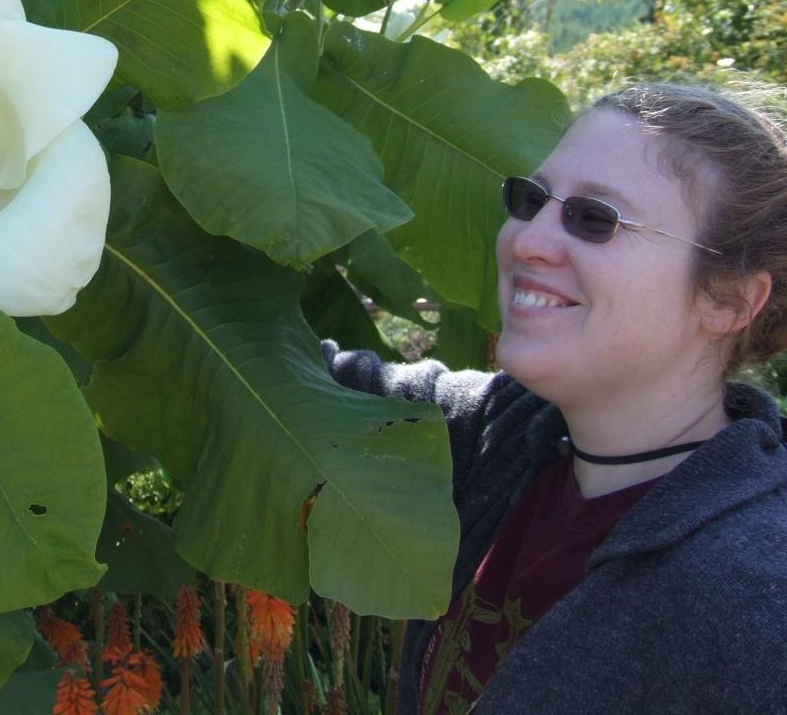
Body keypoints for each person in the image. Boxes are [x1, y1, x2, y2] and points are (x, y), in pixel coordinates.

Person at [324, 83, 787, 715]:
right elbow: (305, 383)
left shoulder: (754, 601)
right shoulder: (508, 435)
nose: (526, 239)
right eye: (529, 199)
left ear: (728, 301)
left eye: (595, 219)